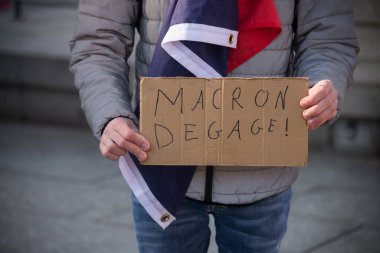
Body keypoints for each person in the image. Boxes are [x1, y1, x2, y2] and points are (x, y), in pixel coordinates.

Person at [69, 0, 359, 252]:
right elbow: (98, 41)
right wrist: (110, 114)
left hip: (261, 177)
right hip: (162, 166)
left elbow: (328, 39)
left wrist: (324, 83)